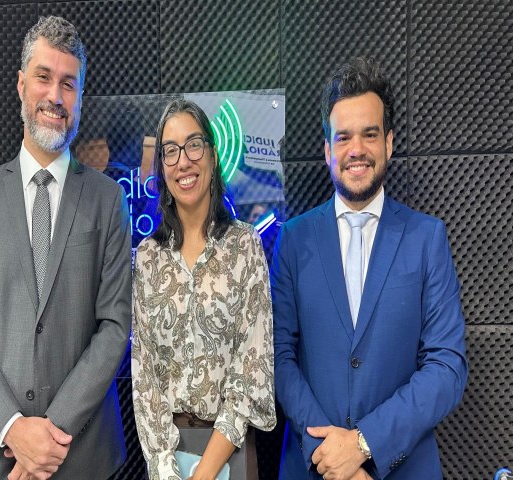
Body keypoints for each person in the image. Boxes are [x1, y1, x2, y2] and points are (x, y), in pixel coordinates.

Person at [0, 16, 131, 480]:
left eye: (69, 84)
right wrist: (13, 429)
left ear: (80, 97)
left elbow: (115, 326)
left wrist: (50, 434)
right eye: (44, 77)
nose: (55, 96)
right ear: (22, 84)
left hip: (82, 456)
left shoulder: (108, 200)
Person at [271, 57, 468, 480]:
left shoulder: (427, 238)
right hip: (313, 467)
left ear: (389, 143)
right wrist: (329, 454)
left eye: (370, 134)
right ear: (327, 150)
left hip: (405, 468)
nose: (356, 149)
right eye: (343, 137)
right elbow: (278, 357)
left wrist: (363, 444)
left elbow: (447, 366)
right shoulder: (293, 240)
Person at [131, 99, 277, 480]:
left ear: (212, 155)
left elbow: (253, 371)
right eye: (171, 151)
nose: (183, 161)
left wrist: (203, 473)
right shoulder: (148, 257)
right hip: (165, 460)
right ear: (162, 168)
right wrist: (166, 470)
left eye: (194, 145)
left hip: (229, 451)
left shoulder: (245, 245)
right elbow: (145, 378)